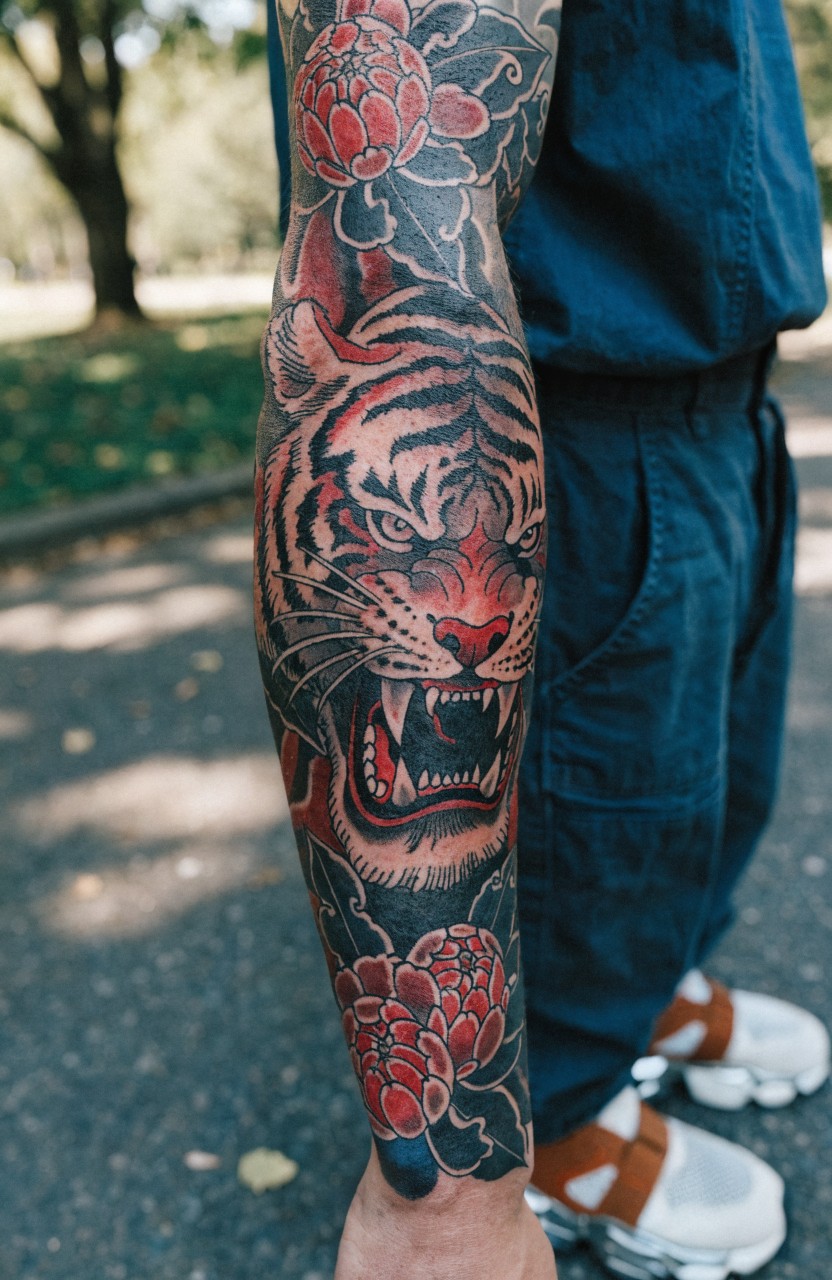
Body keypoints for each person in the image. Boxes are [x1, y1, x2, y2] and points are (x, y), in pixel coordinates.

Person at [256, 1, 830, 1277]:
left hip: (721, 395)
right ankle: (551, 1120)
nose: (451, 610)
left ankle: (639, 989)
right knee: (597, 790)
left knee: (688, 803)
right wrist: (441, 1194)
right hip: (564, 434)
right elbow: (404, 222)